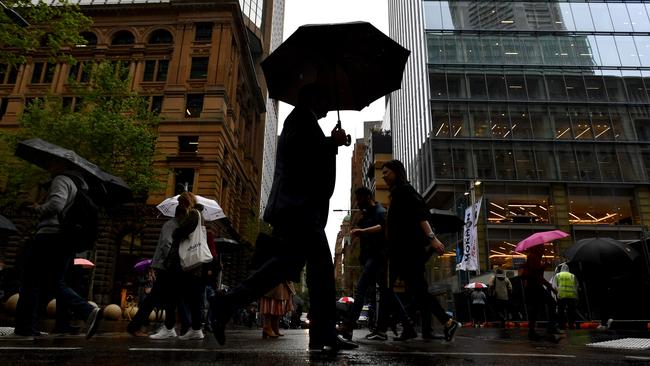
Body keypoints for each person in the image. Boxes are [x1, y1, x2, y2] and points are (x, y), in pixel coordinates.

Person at [210, 84, 357, 353]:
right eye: (324, 97)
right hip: (298, 209)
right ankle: (323, 335)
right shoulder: (301, 119)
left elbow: (309, 162)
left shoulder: (303, 120)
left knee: (287, 267)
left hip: (297, 209)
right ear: (313, 98)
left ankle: (226, 304)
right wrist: (330, 144)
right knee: (321, 269)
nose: (327, 104)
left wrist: (329, 145)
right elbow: (304, 163)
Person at [14, 161, 102, 339]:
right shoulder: (79, 184)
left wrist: (38, 208)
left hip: (50, 235)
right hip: (65, 239)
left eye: (52, 165)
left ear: (61, 165)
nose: (49, 167)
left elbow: (56, 205)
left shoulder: (62, 179)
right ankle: (85, 311)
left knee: (31, 280)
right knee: (53, 281)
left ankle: (26, 327)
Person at [380, 159, 461, 342]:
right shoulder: (397, 192)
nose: (384, 176)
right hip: (402, 250)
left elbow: (420, 216)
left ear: (396, 172)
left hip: (409, 250)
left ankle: (447, 322)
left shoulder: (404, 190)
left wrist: (433, 239)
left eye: (386, 172)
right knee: (417, 290)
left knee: (417, 290)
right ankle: (426, 330)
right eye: (382, 173)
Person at [342, 186, 390, 341]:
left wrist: (362, 231)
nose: (358, 202)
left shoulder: (379, 210)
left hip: (378, 257)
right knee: (386, 292)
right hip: (371, 257)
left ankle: (349, 325)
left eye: (360, 199)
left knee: (361, 288)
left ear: (368, 197)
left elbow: (382, 227)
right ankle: (407, 326)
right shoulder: (367, 213)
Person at [521, 244, 561, 341]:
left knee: (535, 309)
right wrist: (544, 266)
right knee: (550, 303)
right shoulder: (533, 257)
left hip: (534, 287)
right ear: (538, 248)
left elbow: (539, 276)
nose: (544, 250)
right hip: (534, 287)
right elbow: (535, 273)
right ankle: (549, 328)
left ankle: (533, 331)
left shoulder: (535, 257)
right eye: (542, 248)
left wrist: (550, 287)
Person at [553, 263, 579, 330]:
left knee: (561, 311)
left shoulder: (558, 275)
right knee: (571, 311)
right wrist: (576, 296)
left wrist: (556, 296)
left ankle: (561, 325)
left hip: (561, 296)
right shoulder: (572, 276)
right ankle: (571, 325)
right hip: (571, 296)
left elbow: (555, 286)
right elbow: (576, 286)